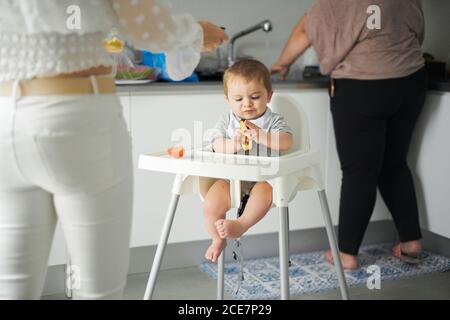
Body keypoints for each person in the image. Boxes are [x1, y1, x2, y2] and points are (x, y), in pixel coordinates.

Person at [0, 0, 227, 299]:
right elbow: (146, 24)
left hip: (6, 120)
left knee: (12, 288)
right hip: (76, 115)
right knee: (97, 291)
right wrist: (196, 33)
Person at [271, 0, 426, 269]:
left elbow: (306, 29)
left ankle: (347, 254)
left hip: (362, 85)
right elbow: (418, 29)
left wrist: (282, 64)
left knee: (359, 172)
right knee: (394, 164)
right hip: (410, 80)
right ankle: (411, 243)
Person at [203, 59, 293, 263]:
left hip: (263, 180)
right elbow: (216, 143)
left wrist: (263, 136)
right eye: (238, 99)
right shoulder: (227, 120)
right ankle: (217, 239)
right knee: (211, 204)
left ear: (269, 96)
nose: (247, 104)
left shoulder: (273, 120)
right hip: (231, 179)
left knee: (265, 191)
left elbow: (287, 142)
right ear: (227, 99)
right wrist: (233, 144)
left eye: (255, 97)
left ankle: (241, 224)